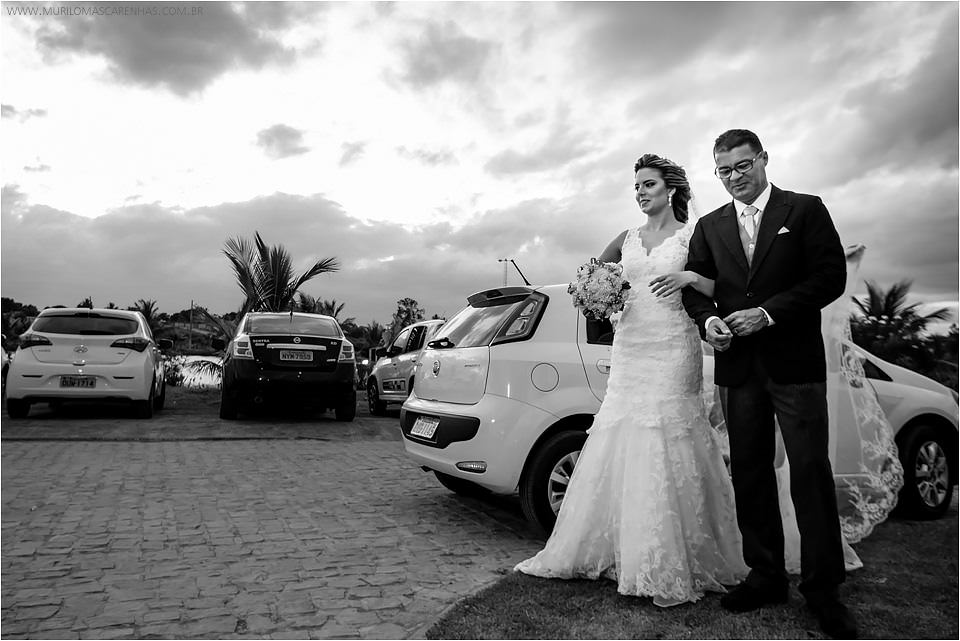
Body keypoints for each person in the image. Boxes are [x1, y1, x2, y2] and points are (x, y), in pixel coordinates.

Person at [515, 154, 748, 607]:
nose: (640, 192)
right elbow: (588, 279)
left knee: (667, 435)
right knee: (621, 435)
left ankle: (673, 555)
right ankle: (615, 548)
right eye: (636, 186)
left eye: (648, 185)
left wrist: (688, 277)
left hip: (673, 345)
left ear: (672, 190)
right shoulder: (626, 238)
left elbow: (725, 285)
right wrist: (595, 296)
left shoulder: (695, 234)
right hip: (631, 347)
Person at [681, 129, 857, 638]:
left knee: (808, 471)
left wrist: (767, 314)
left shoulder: (804, 209)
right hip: (737, 368)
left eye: (742, 166)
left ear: (762, 159)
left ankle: (824, 589)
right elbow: (697, 285)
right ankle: (765, 575)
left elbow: (829, 278)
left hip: (794, 365)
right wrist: (707, 321)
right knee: (750, 472)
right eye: (724, 171)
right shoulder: (711, 226)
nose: (735, 177)